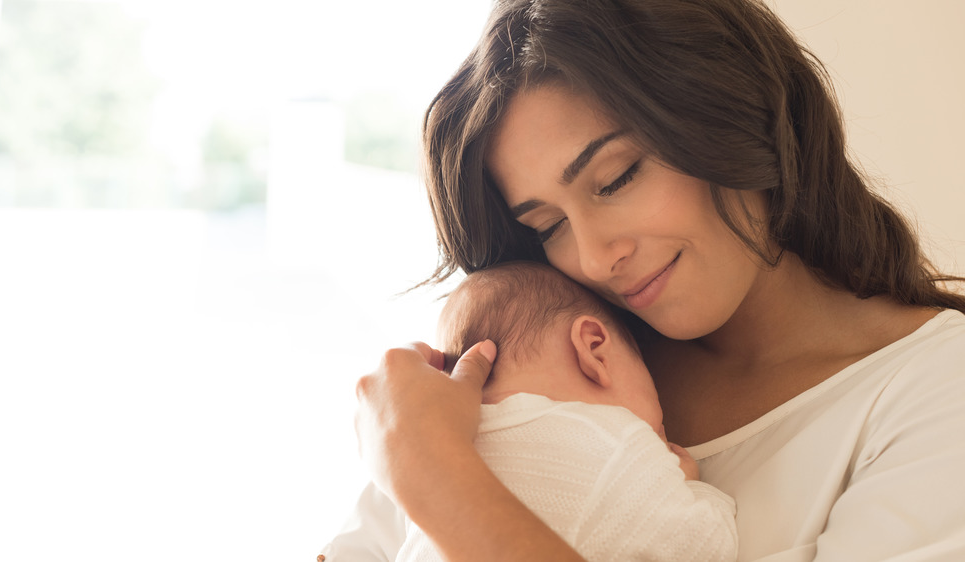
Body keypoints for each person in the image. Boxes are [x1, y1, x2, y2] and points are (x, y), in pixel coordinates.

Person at [339, 0, 965, 560]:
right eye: (549, 224)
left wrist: (433, 477)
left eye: (615, 179)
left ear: (731, 114)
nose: (593, 258)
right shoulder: (547, 365)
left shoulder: (934, 393)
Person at [393, 261, 737, 561]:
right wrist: (688, 486)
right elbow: (707, 546)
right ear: (595, 349)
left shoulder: (435, 471)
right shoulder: (617, 444)